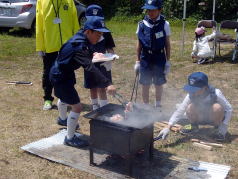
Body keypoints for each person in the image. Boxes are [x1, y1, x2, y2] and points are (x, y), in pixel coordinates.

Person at [49, 17, 116, 148]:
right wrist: (108, 83)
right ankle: (70, 138)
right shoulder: (78, 45)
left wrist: (97, 54)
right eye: (98, 34)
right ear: (89, 31)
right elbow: (90, 67)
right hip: (60, 76)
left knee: (66, 98)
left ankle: (62, 120)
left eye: (102, 34)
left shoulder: (82, 37)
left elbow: (89, 52)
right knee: (77, 107)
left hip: (64, 73)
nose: (100, 37)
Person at [157, 72, 232, 141]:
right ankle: (194, 126)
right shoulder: (190, 94)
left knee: (217, 107)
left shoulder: (216, 93)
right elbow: (180, 110)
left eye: (196, 89)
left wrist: (223, 127)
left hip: (213, 118)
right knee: (190, 107)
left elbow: (229, 109)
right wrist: (168, 127)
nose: (193, 91)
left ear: (204, 87)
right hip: (200, 117)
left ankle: (217, 130)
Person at [36, 0, 79, 110]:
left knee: (68, 71)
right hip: (49, 45)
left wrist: (77, 43)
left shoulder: (69, 1)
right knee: (48, 73)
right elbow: (39, 25)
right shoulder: (41, 1)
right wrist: (40, 46)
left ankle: (67, 97)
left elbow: (75, 22)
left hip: (67, 45)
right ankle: (47, 99)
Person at [134, 0, 171, 109]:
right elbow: (139, 44)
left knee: (158, 82)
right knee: (145, 83)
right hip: (146, 57)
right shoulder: (141, 24)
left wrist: (168, 61)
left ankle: (158, 105)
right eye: (148, 10)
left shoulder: (165, 24)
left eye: (153, 10)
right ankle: (146, 106)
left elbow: (167, 44)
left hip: (159, 57)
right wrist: (137, 61)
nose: (150, 12)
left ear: (159, 10)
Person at [84, 4, 116, 110]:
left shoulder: (105, 32)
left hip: (103, 63)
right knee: (92, 86)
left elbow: (110, 48)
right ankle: (94, 106)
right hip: (89, 63)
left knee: (102, 87)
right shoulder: (85, 32)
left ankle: (104, 108)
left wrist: (111, 57)